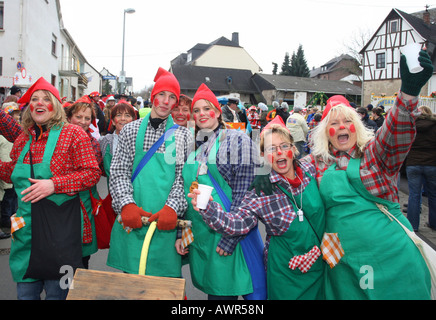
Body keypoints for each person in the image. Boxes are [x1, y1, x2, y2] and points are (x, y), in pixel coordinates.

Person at [302, 49, 433, 299]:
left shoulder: (374, 154)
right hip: (342, 259)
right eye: (334, 123)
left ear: (357, 126)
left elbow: (395, 134)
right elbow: (286, 184)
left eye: (347, 121)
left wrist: (408, 94)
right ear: (324, 132)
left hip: (391, 256)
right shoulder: (313, 164)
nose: (341, 127)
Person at [189, 117, 326, 300]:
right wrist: (208, 209)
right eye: (271, 148)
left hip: (321, 266)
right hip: (286, 271)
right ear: (263, 156)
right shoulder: (261, 191)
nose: (279, 152)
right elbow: (237, 223)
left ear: (294, 149)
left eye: (284, 146)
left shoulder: (312, 170)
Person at [0, 77, 101, 300]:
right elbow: (13, 174)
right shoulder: (24, 137)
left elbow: (92, 173)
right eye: (34, 99)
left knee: (58, 295)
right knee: (25, 295)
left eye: (46, 99)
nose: (39, 103)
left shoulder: (74, 134)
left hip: (60, 234)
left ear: (55, 105)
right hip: (26, 234)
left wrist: (54, 184)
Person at [179, 83, 264, 300]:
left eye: (207, 108)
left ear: (218, 112)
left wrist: (229, 238)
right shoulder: (196, 147)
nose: (201, 114)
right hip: (205, 241)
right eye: (196, 110)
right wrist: (184, 233)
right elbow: (189, 194)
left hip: (231, 238)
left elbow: (244, 194)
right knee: (216, 295)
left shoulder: (237, 140)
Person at [107, 68, 193, 277]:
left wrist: (172, 208)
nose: (166, 101)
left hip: (166, 224)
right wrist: (126, 205)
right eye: (162, 94)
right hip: (133, 221)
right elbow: (119, 172)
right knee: (131, 289)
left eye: (172, 97)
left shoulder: (184, 135)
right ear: (153, 97)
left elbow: (183, 179)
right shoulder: (130, 130)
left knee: (162, 289)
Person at [66, 96, 104, 268]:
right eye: (78, 117)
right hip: (62, 201)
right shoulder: (56, 139)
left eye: (87, 118)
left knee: (82, 256)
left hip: (85, 200)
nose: (82, 122)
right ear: (69, 117)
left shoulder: (95, 144)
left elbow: (96, 173)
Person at [405, 105, 436, 231]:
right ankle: (433, 223)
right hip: (432, 163)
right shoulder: (434, 126)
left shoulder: (411, 126)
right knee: (433, 195)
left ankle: (413, 225)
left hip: (413, 162)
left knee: (414, 194)